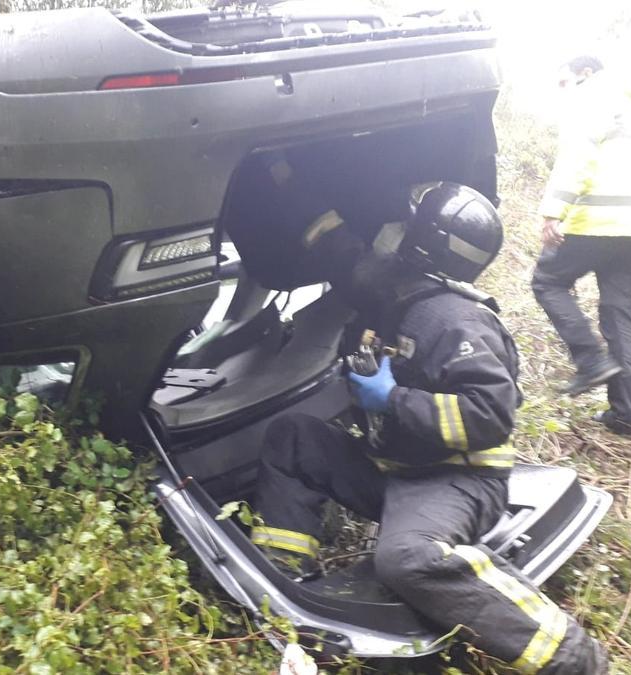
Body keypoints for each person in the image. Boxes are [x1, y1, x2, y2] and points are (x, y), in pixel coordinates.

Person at [251, 183, 608, 674]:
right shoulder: (394, 286)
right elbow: (345, 253)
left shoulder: (455, 321)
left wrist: (393, 399)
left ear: (419, 243)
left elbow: (489, 415)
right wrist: (285, 177)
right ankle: (283, 584)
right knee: (292, 437)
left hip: (455, 481)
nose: (391, 228)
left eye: (405, 220)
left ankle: (572, 657)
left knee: (405, 558)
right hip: (397, 470)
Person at [531, 55, 631, 436]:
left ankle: (591, 360)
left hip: (601, 217)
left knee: (548, 281)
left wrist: (553, 210)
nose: (563, 91)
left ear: (585, 74)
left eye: (564, 82)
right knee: (620, 311)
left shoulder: (592, 96)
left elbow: (578, 154)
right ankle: (627, 415)